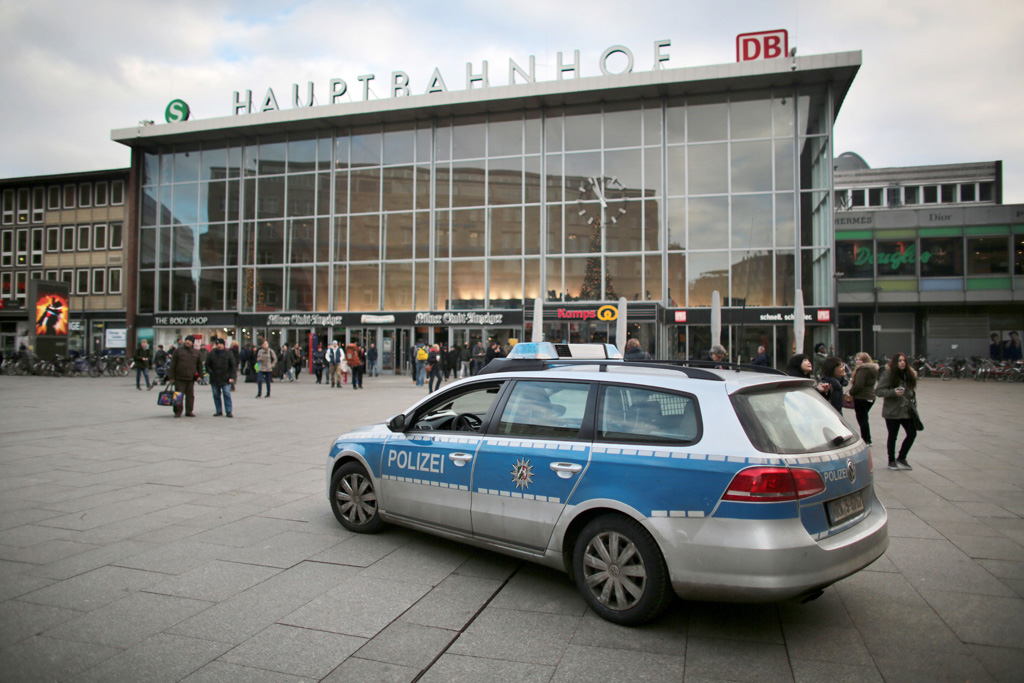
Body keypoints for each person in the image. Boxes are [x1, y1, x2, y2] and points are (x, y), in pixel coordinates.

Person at [875, 352, 918, 471]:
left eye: (904, 360)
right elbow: (878, 391)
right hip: (892, 411)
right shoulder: (888, 374)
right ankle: (891, 460)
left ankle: (902, 458)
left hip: (906, 410)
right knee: (893, 436)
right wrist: (893, 392)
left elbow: (910, 392)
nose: (902, 363)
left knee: (912, 433)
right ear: (895, 363)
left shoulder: (908, 374)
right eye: (899, 361)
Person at [849, 352, 879, 445]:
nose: (858, 362)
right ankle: (868, 438)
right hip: (870, 396)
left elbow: (859, 385)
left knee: (862, 419)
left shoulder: (862, 370)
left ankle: (865, 439)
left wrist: (851, 392)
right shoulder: (872, 369)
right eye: (857, 359)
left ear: (865, 361)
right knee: (864, 418)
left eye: (860, 360)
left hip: (861, 397)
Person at [168, 335, 200, 418]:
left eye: (189, 340)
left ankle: (189, 411)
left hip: (190, 378)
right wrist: (171, 377)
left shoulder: (196, 352)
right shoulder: (178, 351)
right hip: (179, 378)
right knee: (178, 395)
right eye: (186, 340)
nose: (187, 342)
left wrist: (200, 376)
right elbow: (172, 364)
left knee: (190, 396)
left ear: (193, 343)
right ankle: (177, 412)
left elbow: (199, 365)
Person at [206, 337, 237, 417]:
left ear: (223, 344)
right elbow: (207, 364)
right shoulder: (212, 353)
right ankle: (218, 410)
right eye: (217, 344)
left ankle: (229, 411)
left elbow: (233, 366)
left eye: (220, 344)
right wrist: (211, 372)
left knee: (227, 394)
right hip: (214, 378)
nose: (218, 345)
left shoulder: (228, 353)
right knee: (216, 395)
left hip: (225, 378)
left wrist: (232, 377)